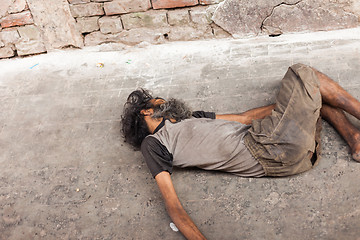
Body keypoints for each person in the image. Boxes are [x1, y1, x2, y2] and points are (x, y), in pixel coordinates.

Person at [121, 64, 360, 240]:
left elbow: (245, 117)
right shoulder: (154, 143)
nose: (163, 99)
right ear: (146, 112)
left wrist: (291, 106)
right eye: (156, 100)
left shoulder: (193, 117)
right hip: (267, 148)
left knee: (315, 96)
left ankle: (355, 138)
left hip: (290, 149)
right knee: (303, 72)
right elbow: (173, 205)